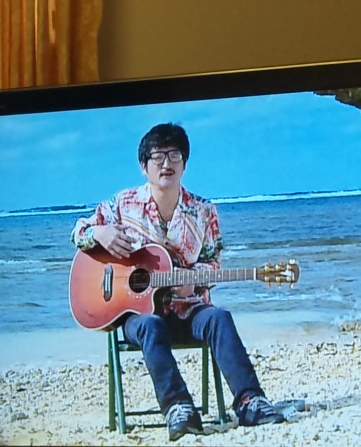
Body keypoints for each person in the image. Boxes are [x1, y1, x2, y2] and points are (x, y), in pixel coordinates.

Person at [71, 123, 284, 441]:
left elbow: (213, 262)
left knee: (219, 318)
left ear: (185, 163)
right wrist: (99, 233)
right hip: (138, 315)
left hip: (189, 309)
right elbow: (78, 233)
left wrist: (194, 283)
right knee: (150, 325)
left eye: (174, 155)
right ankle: (178, 408)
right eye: (157, 157)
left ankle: (250, 402)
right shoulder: (122, 205)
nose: (166, 164)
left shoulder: (204, 211)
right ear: (144, 166)